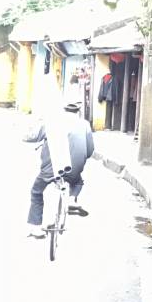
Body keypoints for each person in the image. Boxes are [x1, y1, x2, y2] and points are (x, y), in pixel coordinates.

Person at [26, 93, 95, 239]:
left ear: (62, 108)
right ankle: (71, 199)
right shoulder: (85, 125)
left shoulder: (51, 122)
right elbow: (90, 151)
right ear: (79, 109)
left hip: (51, 169)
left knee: (36, 192)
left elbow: (31, 137)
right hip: (74, 169)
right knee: (78, 182)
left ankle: (36, 228)